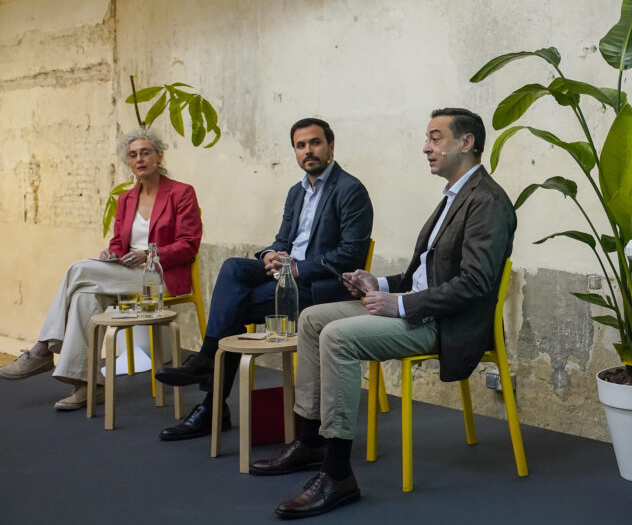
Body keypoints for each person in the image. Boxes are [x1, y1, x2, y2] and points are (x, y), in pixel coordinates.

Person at [250, 108, 516, 519]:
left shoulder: (488, 201)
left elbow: (475, 285)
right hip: (419, 307)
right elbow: (422, 274)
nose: (426, 147)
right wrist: (380, 284)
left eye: (436, 137)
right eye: (427, 137)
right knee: (312, 318)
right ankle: (311, 440)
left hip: (445, 323)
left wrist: (401, 304)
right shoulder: (453, 195)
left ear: (467, 143)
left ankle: (337, 474)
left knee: (338, 336)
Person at [154, 117, 373, 441]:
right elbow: (283, 240)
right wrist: (269, 255)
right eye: (300, 146)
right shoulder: (296, 193)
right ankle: (208, 373)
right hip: (286, 274)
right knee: (233, 267)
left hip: (317, 287)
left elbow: (350, 255)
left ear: (330, 146)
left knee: (234, 308)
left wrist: (299, 268)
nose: (308, 151)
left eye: (314, 143)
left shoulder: (349, 190)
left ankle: (210, 396)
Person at [0, 128, 202, 411]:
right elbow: (119, 243)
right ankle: (88, 386)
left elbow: (188, 244)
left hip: (161, 277)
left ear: (159, 156)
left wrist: (149, 253)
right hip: (127, 275)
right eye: (133, 155)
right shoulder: (126, 199)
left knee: (77, 269)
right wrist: (111, 253)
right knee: (85, 297)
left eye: (146, 152)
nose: (139, 159)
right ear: (128, 162)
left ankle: (43, 348)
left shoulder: (181, 193)